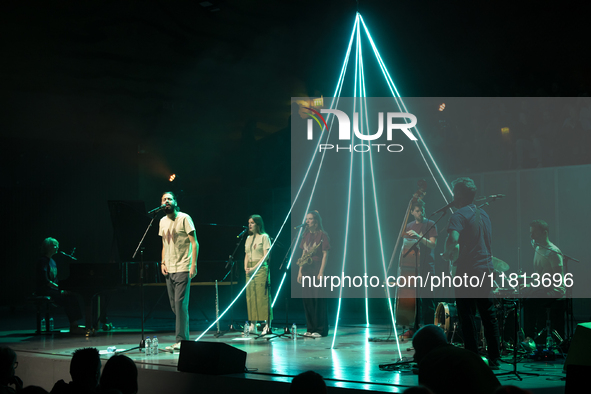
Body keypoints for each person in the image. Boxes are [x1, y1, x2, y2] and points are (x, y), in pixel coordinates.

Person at [441, 177, 501, 369]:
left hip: (468, 271)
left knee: (467, 315)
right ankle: (495, 358)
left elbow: (453, 240)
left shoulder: (458, 215)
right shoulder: (484, 214)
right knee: (488, 314)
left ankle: (472, 358)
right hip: (486, 269)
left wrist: (448, 254)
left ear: (458, 194)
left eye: (454, 193)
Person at [159, 192, 198, 351]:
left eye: (169, 199)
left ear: (175, 202)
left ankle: (181, 341)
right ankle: (184, 340)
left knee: (180, 304)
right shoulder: (161, 221)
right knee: (175, 307)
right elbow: (164, 244)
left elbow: (194, 243)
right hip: (169, 268)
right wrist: (162, 262)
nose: (166, 201)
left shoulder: (184, 218)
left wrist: (193, 264)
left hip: (183, 266)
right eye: (163, 199)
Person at [412, 325, 501, 394]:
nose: (414, 357)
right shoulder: (468, 354)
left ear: (424, 347)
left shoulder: (430, 362)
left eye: (417, 350)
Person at [522, 220, 565, 346]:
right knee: (524, 297)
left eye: (534, 233)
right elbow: (541, 275)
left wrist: (533, 287)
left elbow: (556, 279)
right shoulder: (538, 249)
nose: (531, 236)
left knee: (530, 301)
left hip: (555, 290)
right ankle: (528, 337)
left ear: (544, 233)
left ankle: (530, 339)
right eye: (531, 233)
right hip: (543, 288)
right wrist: (530, 285)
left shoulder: (553, 252)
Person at [35, 238, 86, 335]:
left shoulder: (53, 261)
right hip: (44, 289)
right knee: (67, 298)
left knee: (72, 295)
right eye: (55, 245)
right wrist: (60, 289)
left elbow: (55, 280)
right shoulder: (42, 261)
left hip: (51, 289)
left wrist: (64, 288)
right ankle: (74, 326)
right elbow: (45, 281)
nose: (57, 247)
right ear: (48, 247)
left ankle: (75, 324)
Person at [402, 200, 438, 336]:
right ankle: (413, 328)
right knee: (413, 299)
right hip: (412, 267)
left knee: (428, 299)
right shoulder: (409, 226)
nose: (420, 212)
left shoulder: (430, 224)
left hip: (427, 266)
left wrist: (418, 237)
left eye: (421, 210)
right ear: (411, 212)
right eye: (417, 210)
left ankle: (429, 329)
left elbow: (433, 245)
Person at [297, 210, 330, 338]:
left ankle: (320, 329)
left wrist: (321, 272)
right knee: (308, 300)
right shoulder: (305, 235)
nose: (307, 221)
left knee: (318, 300)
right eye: (307, 219)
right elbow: (303, 253)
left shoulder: (322, 235)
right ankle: (310, 328)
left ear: (316, 222)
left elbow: (325, 254)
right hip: (306, 269)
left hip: (316, 268)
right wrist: (300, 271)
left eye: (310, 219)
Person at [244, 214, 272, 333]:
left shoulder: (264, 237)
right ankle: (252, 324)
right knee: (251, 296)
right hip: (249, 268)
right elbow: (246, 254)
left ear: (258, 224)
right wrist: (246, 267)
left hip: (260, 268)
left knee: (263, 296)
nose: (249, 225)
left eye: (252, 223)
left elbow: (266, 256)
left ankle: (267, 325)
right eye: (249, 222)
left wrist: (255, 268)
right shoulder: (248, 238)